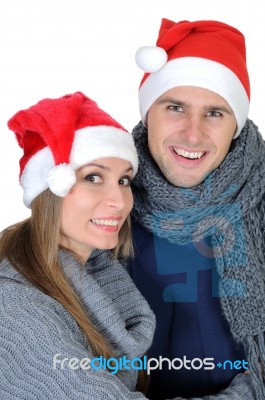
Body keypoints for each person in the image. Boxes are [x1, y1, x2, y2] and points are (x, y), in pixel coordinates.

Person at [128, 18, 265, 399]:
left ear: (236, 124)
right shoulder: (101, 202)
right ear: (147, 113)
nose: (193, 134)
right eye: (175, 107)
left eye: (215, 113)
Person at [0, 92, 158, 399]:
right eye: (94, 177)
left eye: (124, 181)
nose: (119, 201)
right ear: (51, 189)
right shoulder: (15, 310)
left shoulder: (100, 272)